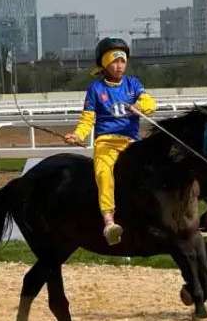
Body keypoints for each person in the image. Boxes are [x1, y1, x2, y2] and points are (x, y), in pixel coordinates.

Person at [64, 38, 157, 245]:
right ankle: (109, 222)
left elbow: (150, 102)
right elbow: (87, 119)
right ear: (105, 64)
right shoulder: (95, 89)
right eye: (115, 61)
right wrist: (78, 135)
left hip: (132, 141)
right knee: (104, 174)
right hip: (106, 143)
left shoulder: (133, 83)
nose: (119, 66)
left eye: (122, 61)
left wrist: (141, 106)